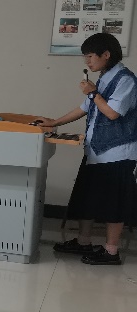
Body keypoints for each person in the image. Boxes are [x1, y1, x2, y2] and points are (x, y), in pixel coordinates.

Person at [36, 32, 137, 265]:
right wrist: (54, 122)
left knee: (114, 203)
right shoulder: (103, 78)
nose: (87, 61)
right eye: (85, 57)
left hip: (117, 153)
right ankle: (83, 242)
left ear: (106, 54)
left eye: (90, 56)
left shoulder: (126, 80)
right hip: (96, 151)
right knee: (87, 197)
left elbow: (112, 113)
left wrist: (93, 92)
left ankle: (111, 252)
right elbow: (85, 107)